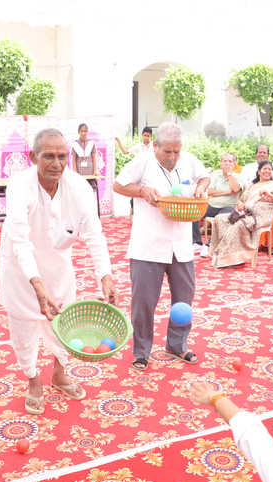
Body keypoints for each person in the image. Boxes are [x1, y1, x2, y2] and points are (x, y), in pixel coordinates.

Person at [0, 128, 116, 415]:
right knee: (24, 328)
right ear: (33, 157)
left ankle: (59, 373)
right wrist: (37, 286)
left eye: (62, 156)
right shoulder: (19, 185)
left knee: (63, 323)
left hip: (59, 268)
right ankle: (33, 380)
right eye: (49, 156)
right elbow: (20, 240)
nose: (57, 163)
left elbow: (94, 234)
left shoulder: (78, 187)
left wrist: (105, 276)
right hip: (20, 270)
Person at [113, 122, 210, 371]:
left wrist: (201, 187)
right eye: (167, 151)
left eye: (176, 151)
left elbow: (205, 177)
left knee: (184, 301)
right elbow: (118, 184)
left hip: (181, 244)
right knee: (144, 303)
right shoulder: (143, 161)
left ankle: (177, 345)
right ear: (155, 146)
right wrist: (141, 190)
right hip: (148, 245)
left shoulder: (188, 160)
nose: (173, 156)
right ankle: (141, 351)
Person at [209, 160, 273, 268]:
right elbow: (241, 199)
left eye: (269, 169)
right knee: (220, 219)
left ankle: (230, 258)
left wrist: (270, 196)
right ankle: (227, 254)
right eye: (265, 169)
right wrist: (240, 204)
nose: (267, 171)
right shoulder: (252, 186)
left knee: (239, 225)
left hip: (261, 217)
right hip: (246, 213)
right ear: (259, 172)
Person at [192, 153, 241, 257]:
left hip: (229, 206)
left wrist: (229, 174)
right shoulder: (215, 176)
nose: (227, 163)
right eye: (225, 161)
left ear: (234, 164)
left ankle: (209, 245)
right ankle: (197, 242)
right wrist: (227, 192)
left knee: (220, 219)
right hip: (213, 204)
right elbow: (209, 191)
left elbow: (236, 189)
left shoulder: (238, 177)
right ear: (221, 164)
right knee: (194, 212)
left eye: (230, 161)